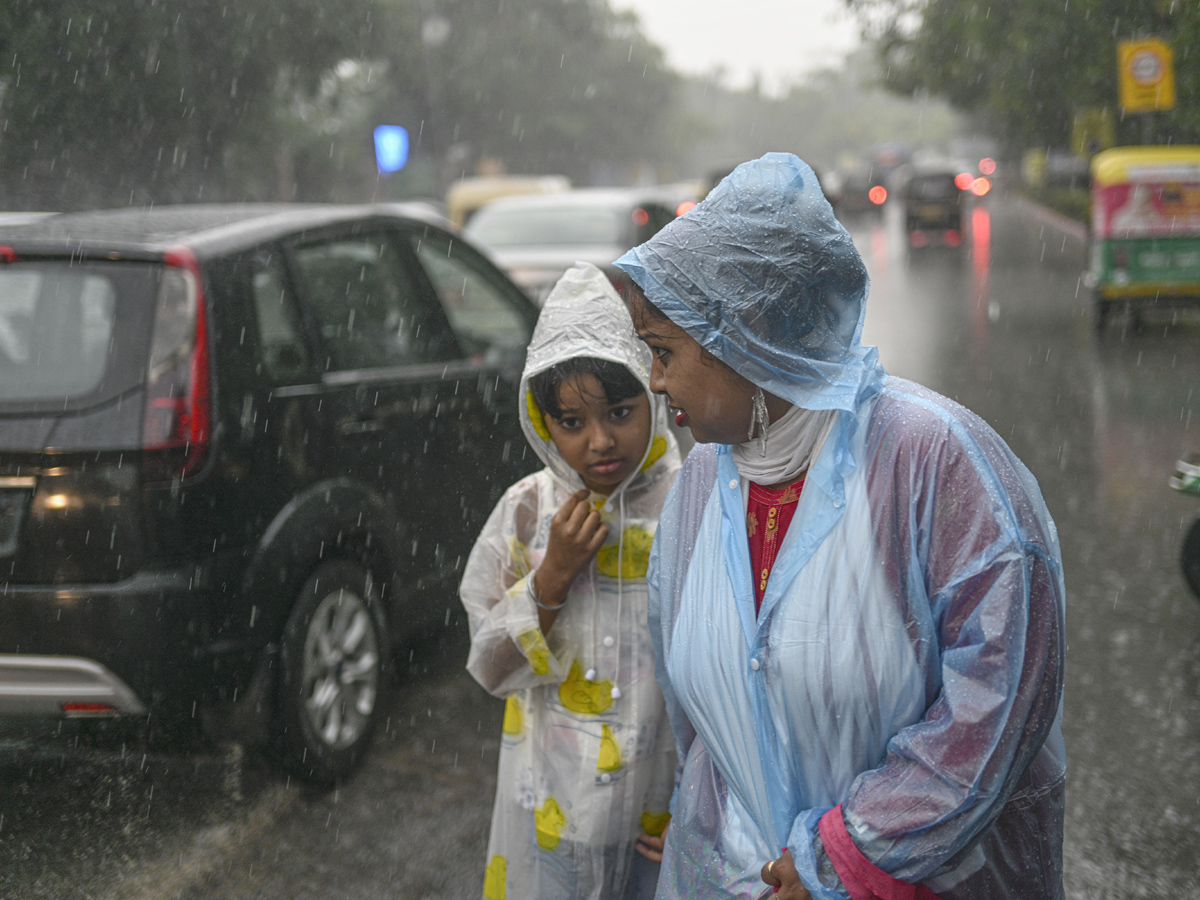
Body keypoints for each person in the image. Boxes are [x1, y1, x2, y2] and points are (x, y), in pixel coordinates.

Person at [616, 153, 1066, 900]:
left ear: (743, 333)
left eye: (664, 353)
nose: (654, 381)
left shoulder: (936, 463)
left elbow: (1002, 697)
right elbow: (699, 727)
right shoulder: (699, 483)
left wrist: (846, 857)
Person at [460, 262, 681, 900]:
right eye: (572, 423)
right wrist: (549, 578)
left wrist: (706, 801)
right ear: (542, 422)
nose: (600, 441)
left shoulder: (691, 505)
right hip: (549, 813)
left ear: (652, 392)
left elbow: (724, 670)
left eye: (619, 411)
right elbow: (491, 667)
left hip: (660, 807)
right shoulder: (527, 512)